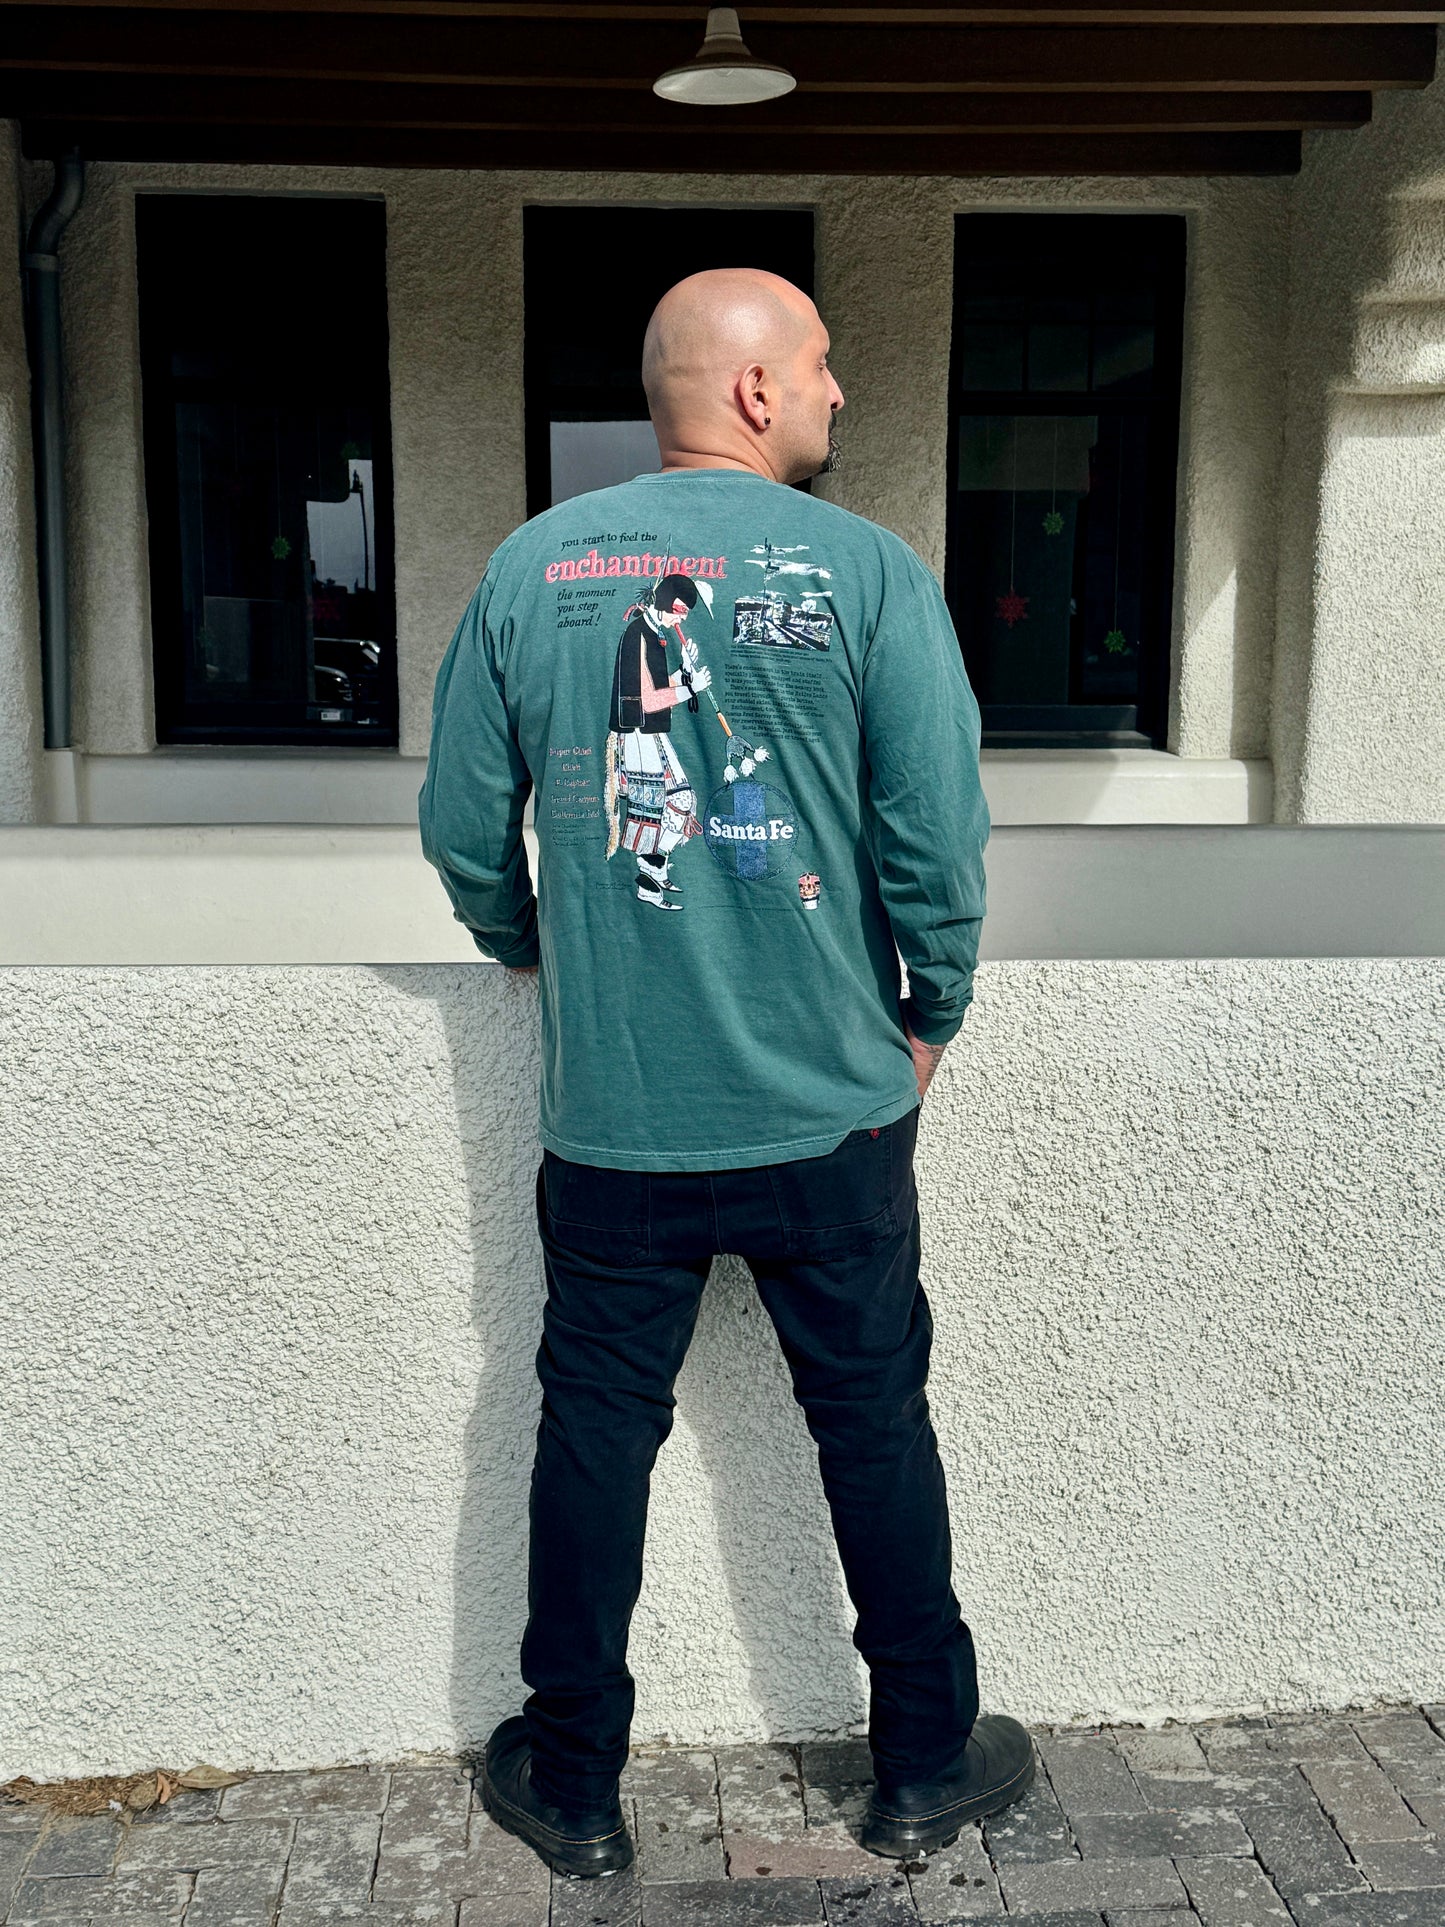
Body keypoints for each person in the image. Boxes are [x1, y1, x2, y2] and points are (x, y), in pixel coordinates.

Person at [418, 267, 1032, 1882]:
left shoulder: (531, 568)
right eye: (820, 365)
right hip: (833, 1110)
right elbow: (934, 834)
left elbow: (460, 827)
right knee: (874, 1430)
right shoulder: (867, 573)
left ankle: (573, 1783)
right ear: (755, 390)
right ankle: (920, 1766)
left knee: (591, 1434)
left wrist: (521, 943)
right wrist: (933, 1010)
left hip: (616, 1120)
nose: (836, 391)